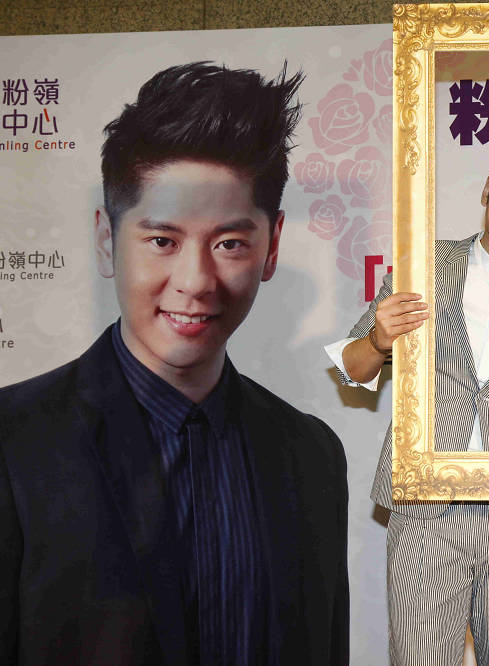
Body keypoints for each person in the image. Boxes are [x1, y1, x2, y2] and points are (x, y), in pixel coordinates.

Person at [0, 62, 349, 665]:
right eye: (162, 241)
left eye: (229, 243)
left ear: (272, 246)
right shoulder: (14, 440)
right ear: (107, 240)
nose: (195, 282)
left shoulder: (311, 454)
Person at [325, 129, 489, 666]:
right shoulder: (424, 268)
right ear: (487, 189)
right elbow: (351, 368)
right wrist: (378, 341)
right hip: (426, 504)